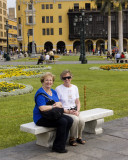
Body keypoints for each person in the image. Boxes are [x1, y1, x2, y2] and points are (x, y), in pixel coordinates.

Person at [33, 72, 73, 153]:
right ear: (42, 81)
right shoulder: (40, 93)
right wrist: (54, 106)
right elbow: (42, 108)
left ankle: (62, 143)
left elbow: (59, 104)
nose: (49, 82)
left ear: (53, 82)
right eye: (46, 80)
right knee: (63, 121)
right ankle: (58, 147)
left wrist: (68, 111)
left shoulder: (53, 92)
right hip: (41, 118)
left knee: (69, 120)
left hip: (52, 115)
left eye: (50, 80)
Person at [55, 70, 85, 146]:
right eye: (64, 78)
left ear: (71, 77)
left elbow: (78, 102)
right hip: (65, 111)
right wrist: (68, 112)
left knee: (81, 120)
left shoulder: (75, 87)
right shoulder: (58, 89)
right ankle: (72, 138)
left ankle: (79, 137)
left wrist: (77, 111)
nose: (66, 79)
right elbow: (58, 104)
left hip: (74, 109)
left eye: (68, 77)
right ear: (62, 79)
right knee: (75, 120)